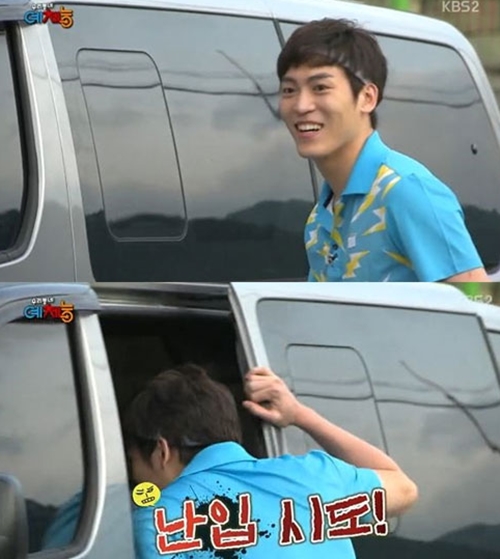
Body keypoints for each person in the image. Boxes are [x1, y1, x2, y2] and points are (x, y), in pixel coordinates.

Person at [125, 363, 418, 558]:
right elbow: (404, 489)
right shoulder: (314, 478)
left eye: (132, 464)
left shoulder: (155, 523)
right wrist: (299, 414)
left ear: (161, 451)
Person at [277, 18, 490, 283]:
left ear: (367, 97)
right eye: (289, 90)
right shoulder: (320, 218)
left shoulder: (406, 191)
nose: (301, 105)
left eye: (320, 87)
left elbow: (477, 302)